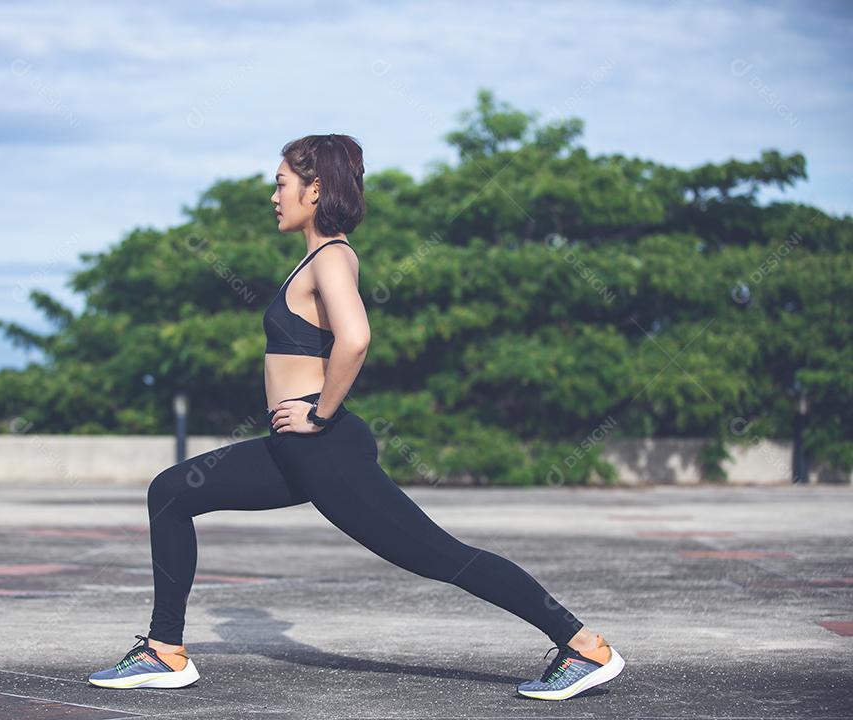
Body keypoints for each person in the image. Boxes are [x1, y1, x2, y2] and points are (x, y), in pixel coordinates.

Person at [87, 133, 625, 700]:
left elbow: (356, 338)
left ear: (314, 189)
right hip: (294, 450)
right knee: (172, 492)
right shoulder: (315, 258)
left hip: (324, 449)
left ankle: (583, 645)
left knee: (440, 557)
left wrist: (319, 414)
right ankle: (164, 650)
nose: (274, 195)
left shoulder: (333, 257)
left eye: (281, 183)